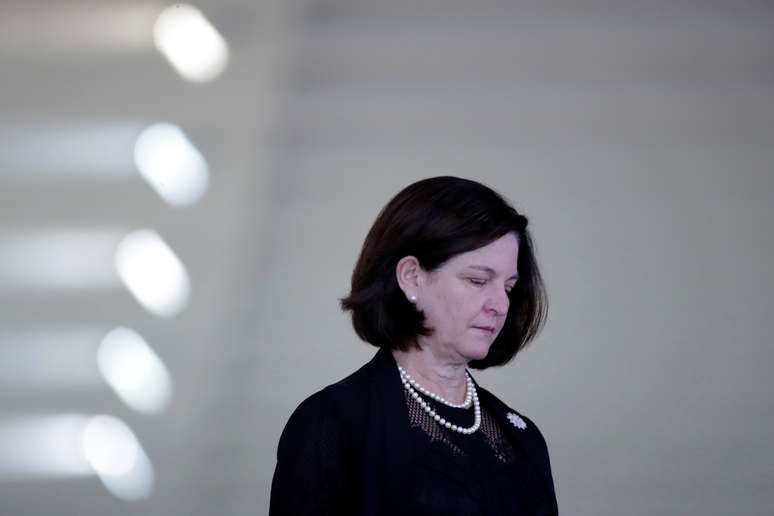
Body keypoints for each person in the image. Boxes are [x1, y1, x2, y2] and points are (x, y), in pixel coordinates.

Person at [269, 176, 558, 515]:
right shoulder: (333, 424)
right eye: (478, 281)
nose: (500, 305)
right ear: (411, 277)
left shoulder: (522, 438)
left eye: (508, 287)